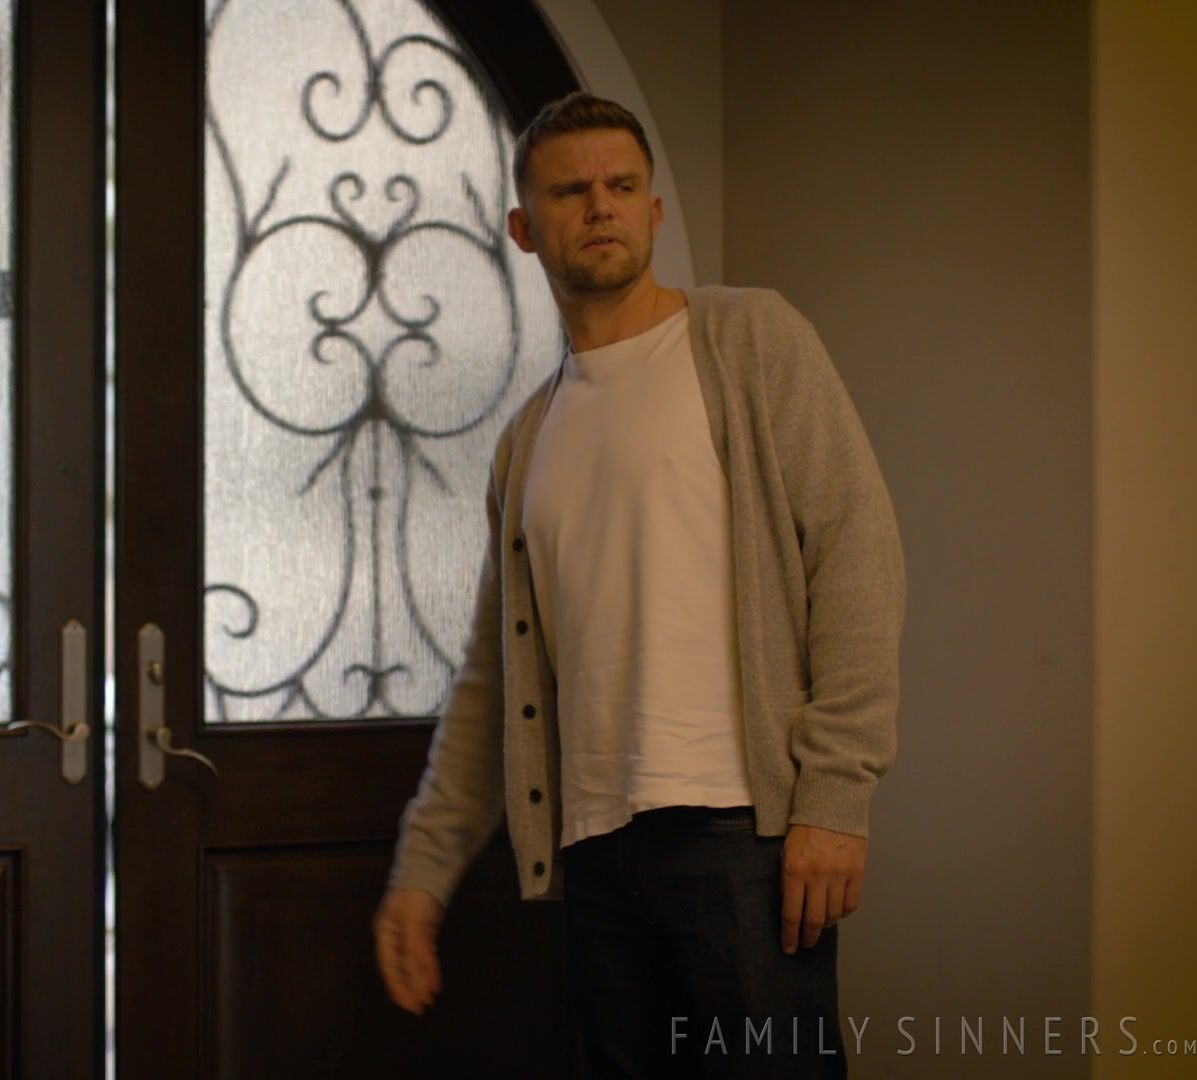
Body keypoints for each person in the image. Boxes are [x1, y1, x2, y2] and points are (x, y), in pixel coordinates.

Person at [372, 91, 905, 1078]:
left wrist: (836, 794)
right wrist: (424, 868)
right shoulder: (528, 440)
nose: (600, 205)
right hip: (595, 850)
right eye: (570, 191)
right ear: (525, 229)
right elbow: (492, 679)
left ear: (653, 210)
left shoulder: (750, 341)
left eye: (621, 185)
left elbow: (856, 554)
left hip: (744, 834)